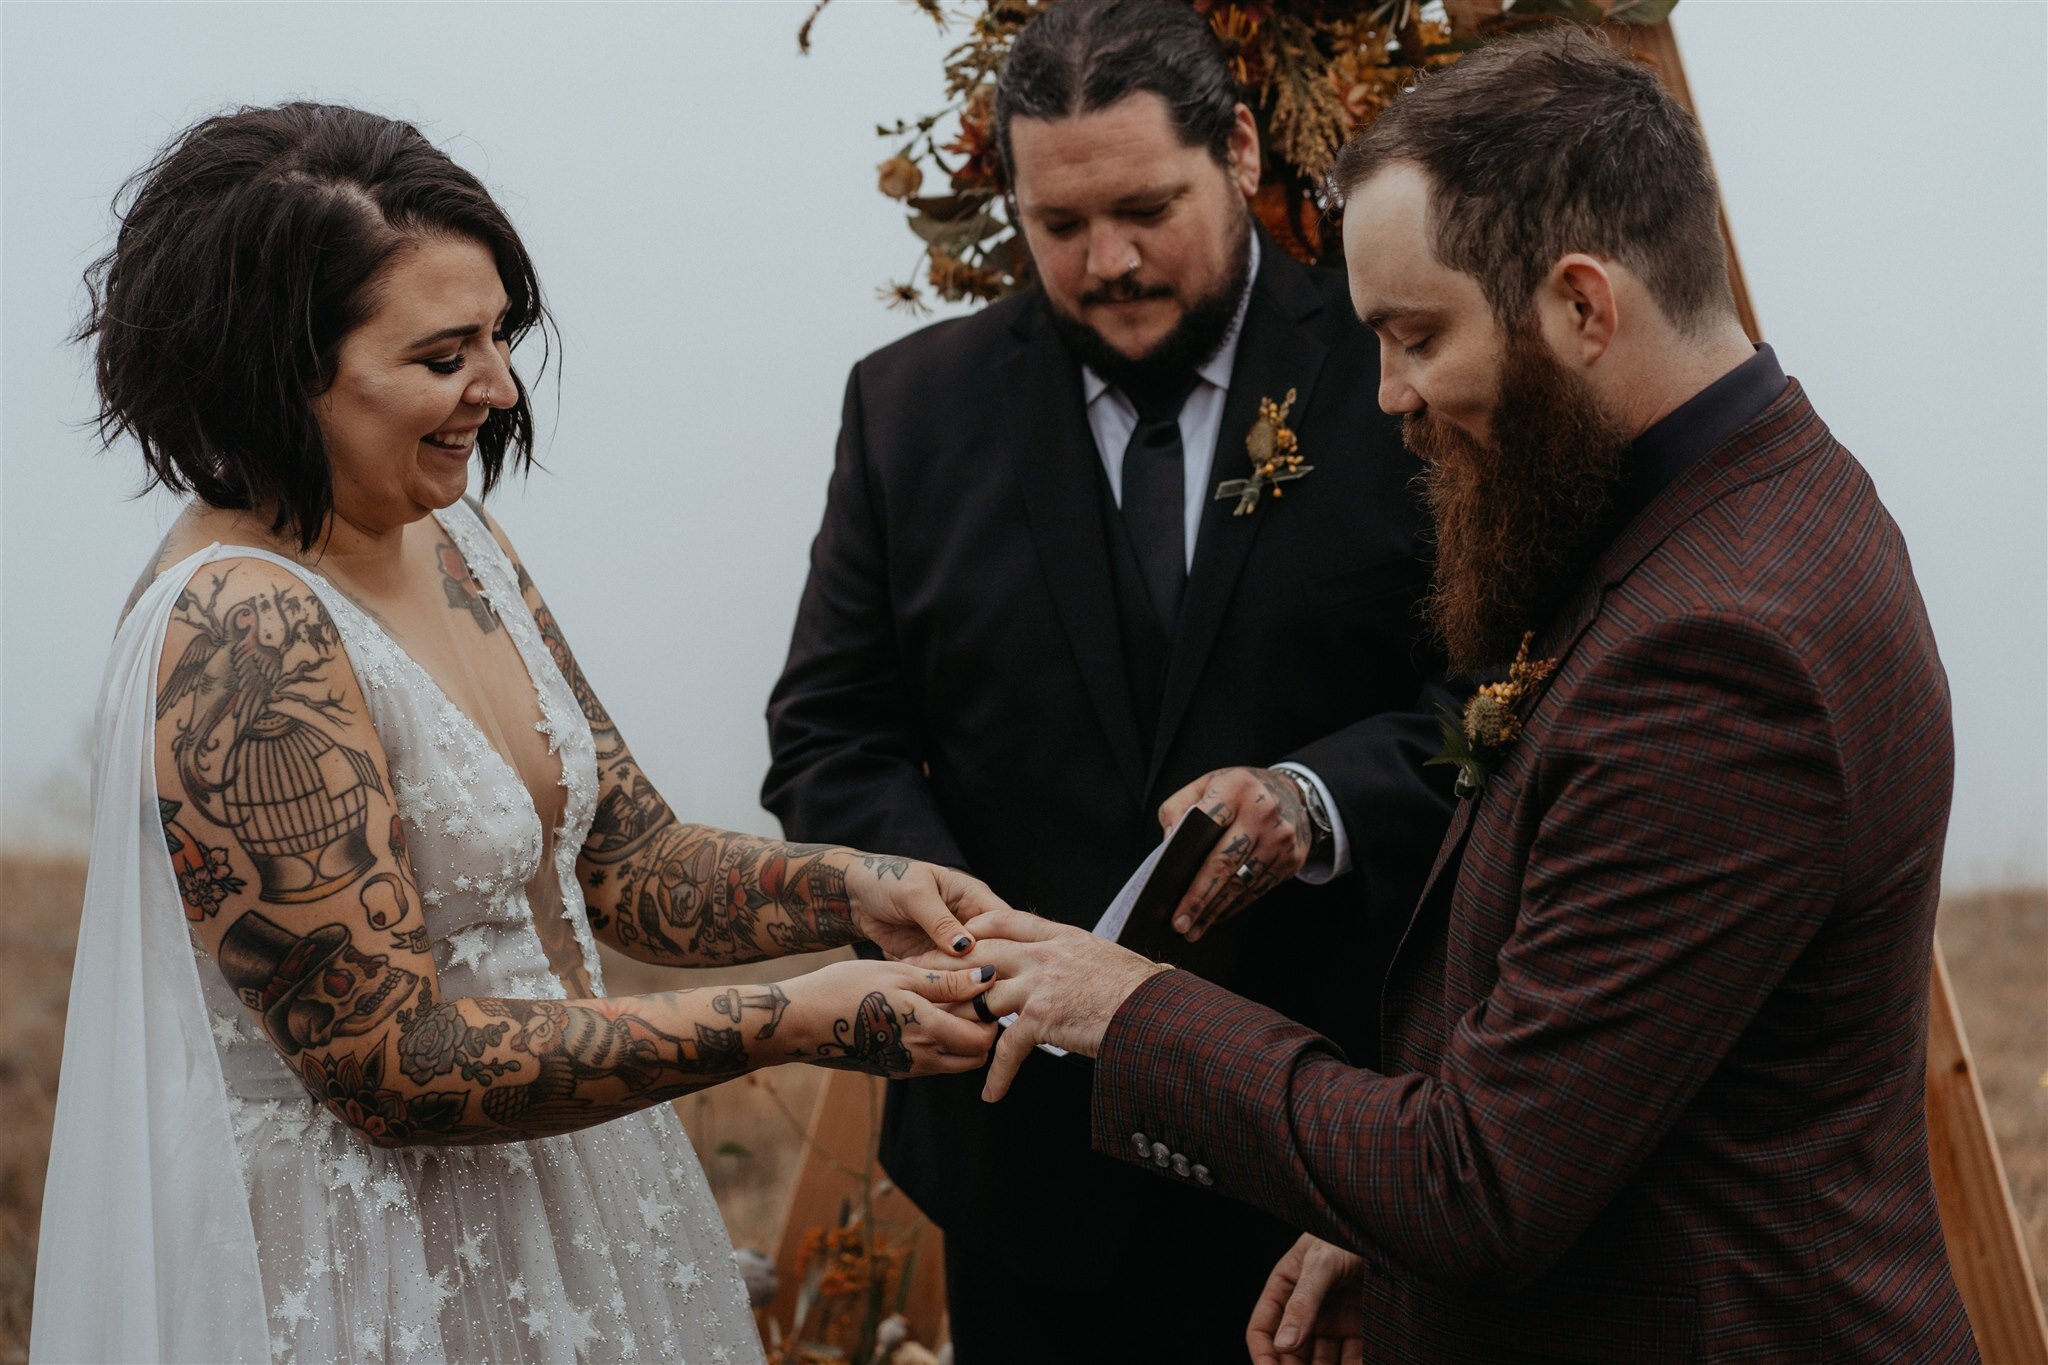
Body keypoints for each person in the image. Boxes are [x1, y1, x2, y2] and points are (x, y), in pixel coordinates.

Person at [950, 26, 1976, 1364]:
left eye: (1416, 335)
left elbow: (1479, 1186)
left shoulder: (1727, 653)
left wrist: (1130, 1003)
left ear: (1584, 307)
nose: (1390, 397)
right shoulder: (1742, 502)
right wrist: (1377, 1233)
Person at [31, 102, 1002, 1365]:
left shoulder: (458, 539)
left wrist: (855, 889)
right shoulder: (238, 634)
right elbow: (390, 1061)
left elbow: (623, 866)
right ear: (279, 369)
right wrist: (797, 1017)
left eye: (498, 337)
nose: (496, 388)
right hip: (366, 1263)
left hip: (575, 1200)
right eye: (443, 358)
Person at [762, 0, 1457, 1356]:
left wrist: (1320, 797)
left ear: (1242, 150)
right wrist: (945, 917)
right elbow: (829, 731)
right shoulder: (911, 408)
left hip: (1334, 1159)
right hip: (1022, 1172)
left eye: (1147, 208)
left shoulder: (1401, 371)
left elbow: (1506, 704)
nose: (1108, 261)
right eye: (1059, 225)